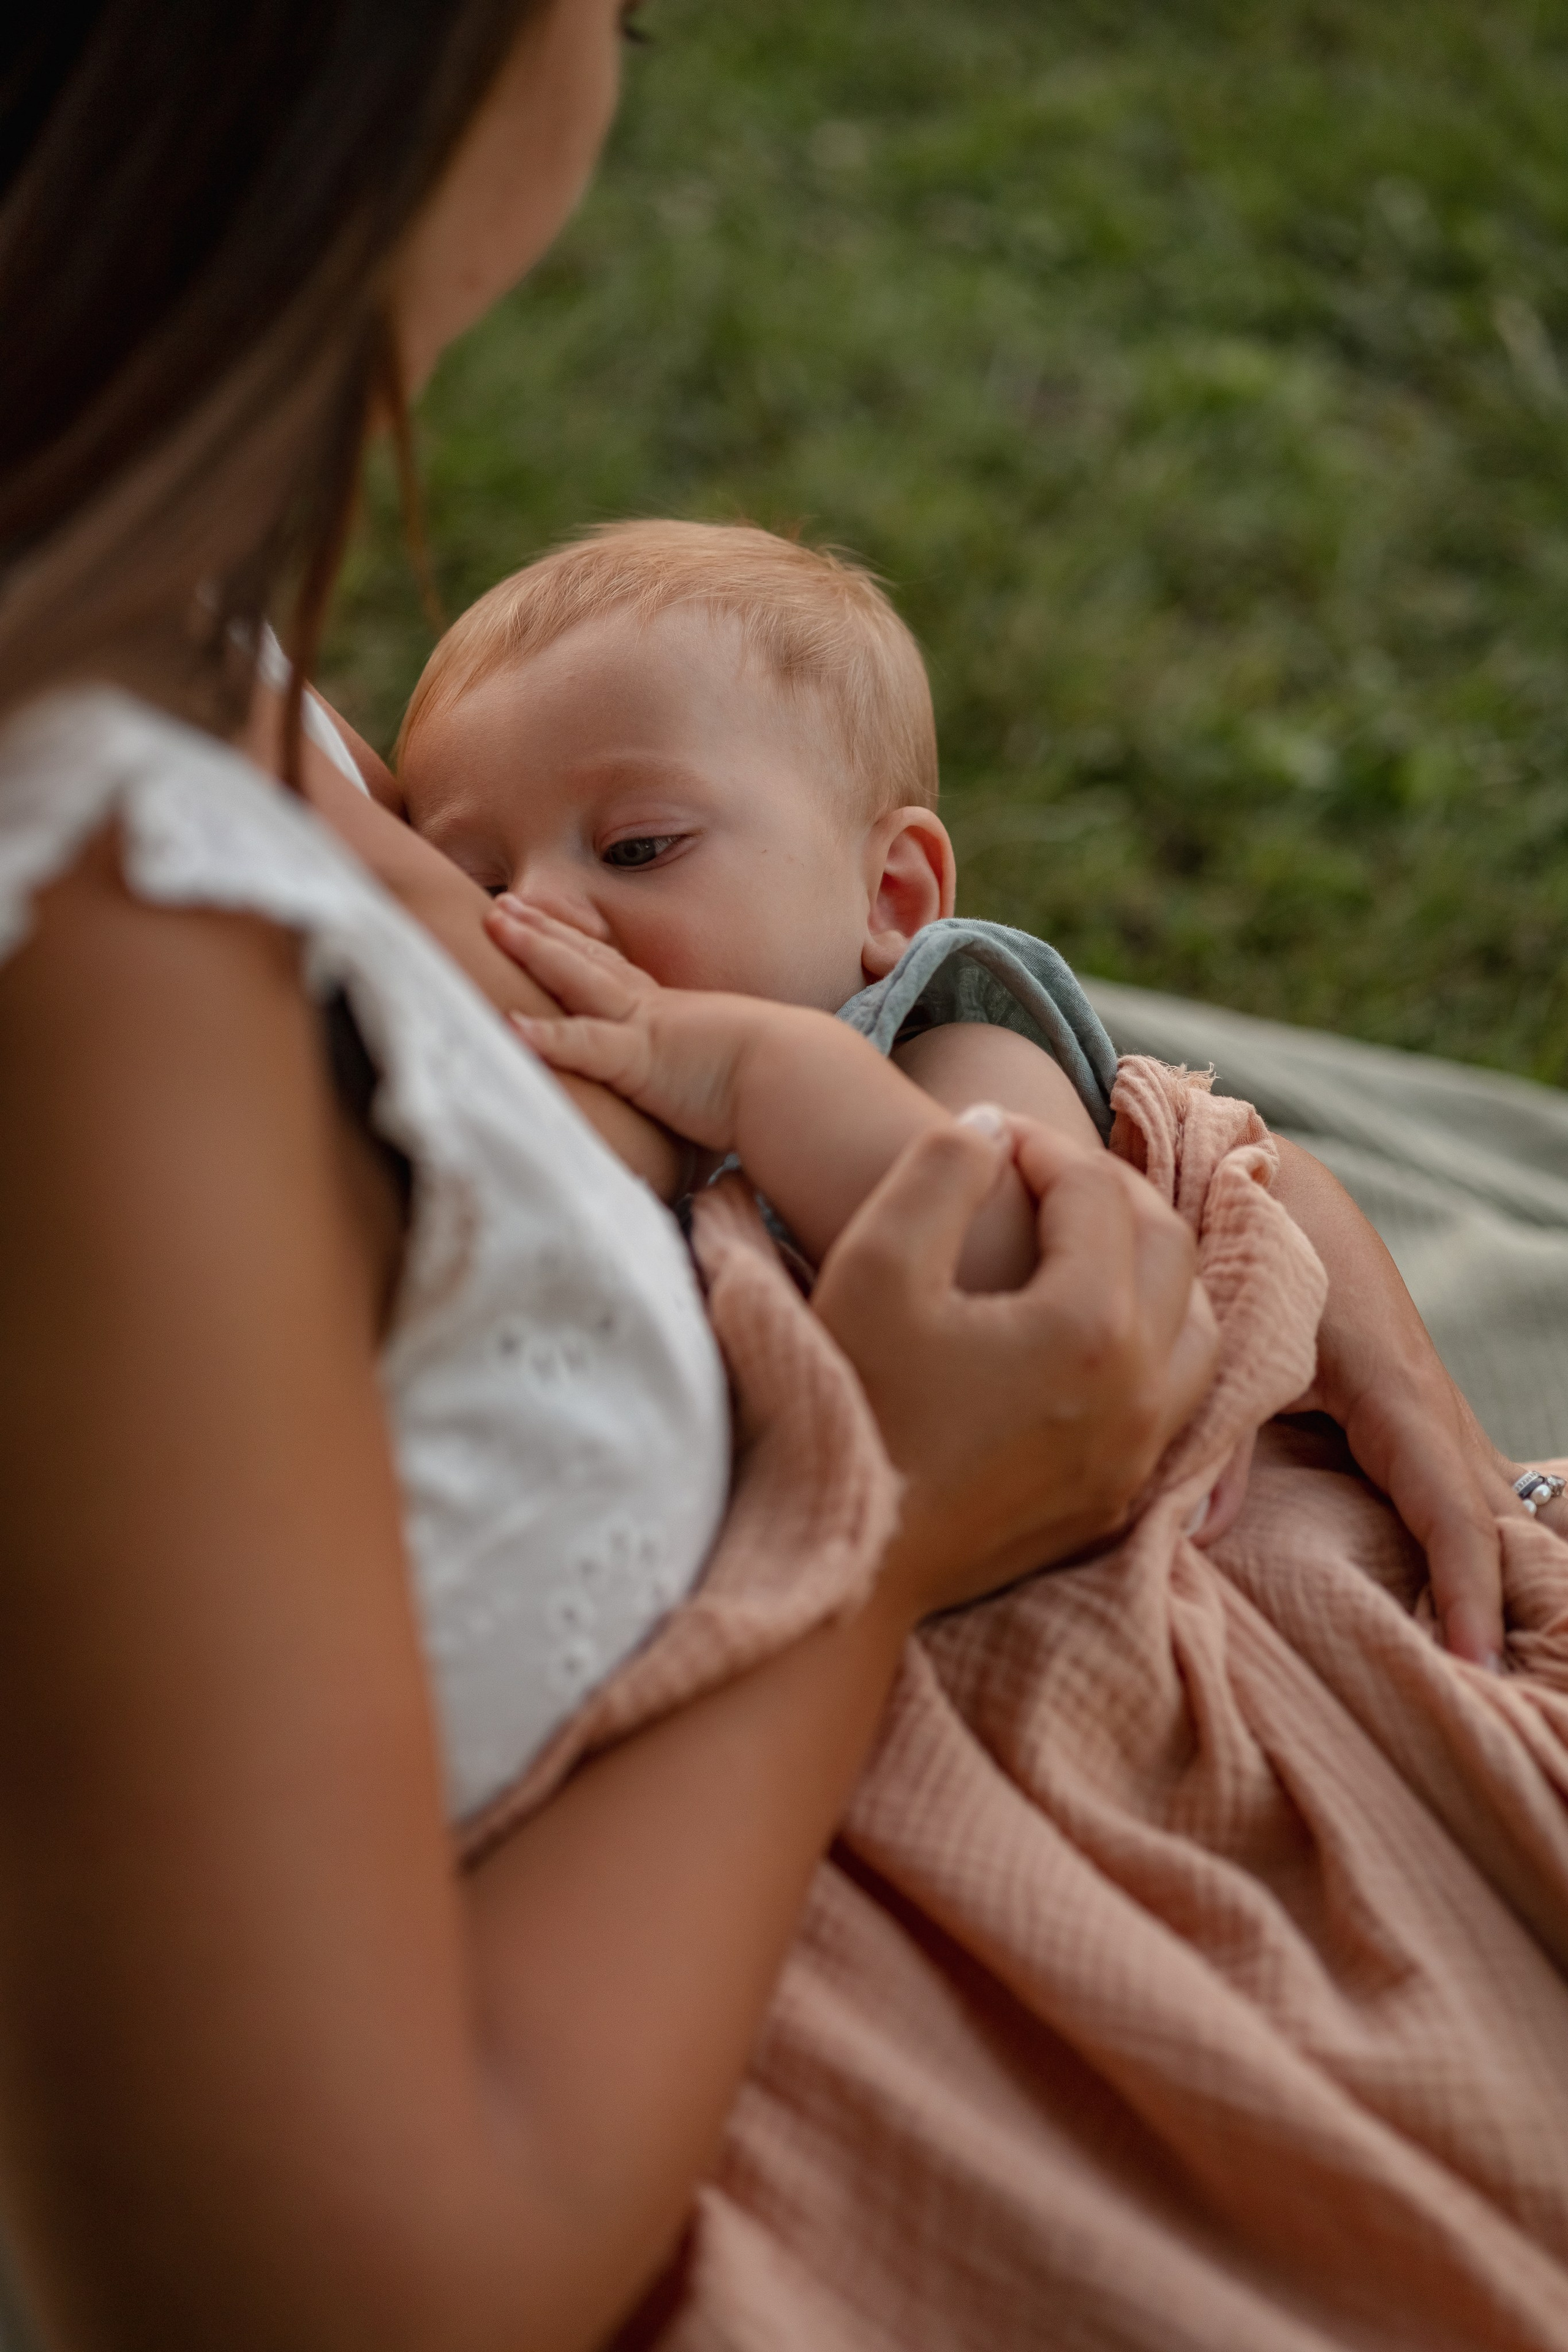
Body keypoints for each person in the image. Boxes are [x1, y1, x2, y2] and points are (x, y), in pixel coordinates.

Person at [0, 9, 1224, 2350]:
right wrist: (881, 1536)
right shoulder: (91, 957)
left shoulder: (173, 624)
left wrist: (1261, 1209)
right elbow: (322, 2292)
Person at [381, 516, 1539, 1649]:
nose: (533, 915)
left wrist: (752, 1074)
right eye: (476, 890)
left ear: (890, 897)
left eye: (637, 848)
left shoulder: (943, 1048)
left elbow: (1030, 1286)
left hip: (1200, 1592)